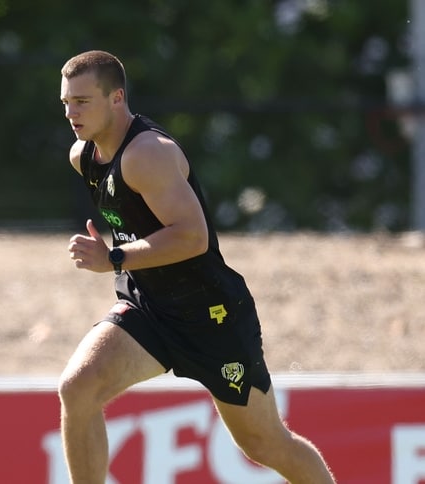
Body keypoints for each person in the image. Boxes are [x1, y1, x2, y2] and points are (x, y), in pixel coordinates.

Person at [57, 50, 335, 483]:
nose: (71, 113)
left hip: (211, 315)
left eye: (82, 101)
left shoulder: (148, 154)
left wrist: (113, 257)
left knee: (265, 444)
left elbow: (192, 237)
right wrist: (119, 259)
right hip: (149, 307)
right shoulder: (83, 156)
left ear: (117, 98)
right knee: (78, 388)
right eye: (66, 102)